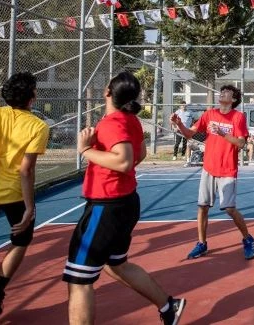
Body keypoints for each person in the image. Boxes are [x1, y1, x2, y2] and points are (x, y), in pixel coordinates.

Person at [64, 72, 185, 325]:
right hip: (124, 202)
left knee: (79, 280)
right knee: (116, 265)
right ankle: (168, 305)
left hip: (106, 207)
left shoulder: (111, 123)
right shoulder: (130, 120)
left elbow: (124, 159)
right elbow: (137, 154)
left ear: (108, 91)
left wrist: (86, 150)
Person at [0, 73, 48, 320]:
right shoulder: (37, 126)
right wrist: (30, 207)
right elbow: (26, 170)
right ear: (32, 97)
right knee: (21, 241)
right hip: (14, 194)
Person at [171, 85, 254, 261]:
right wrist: (179, 124)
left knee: (230, 209)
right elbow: (190, 135)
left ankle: (248, 239)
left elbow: (240, 143)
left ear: (233, 99)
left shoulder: (238, 117)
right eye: (222, 91)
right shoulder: (209, 114)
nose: (222, 93)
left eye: (226, 92)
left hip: (227, 169)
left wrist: (222, 133)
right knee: (202, 207)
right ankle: (202, 244)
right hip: (209, 167)